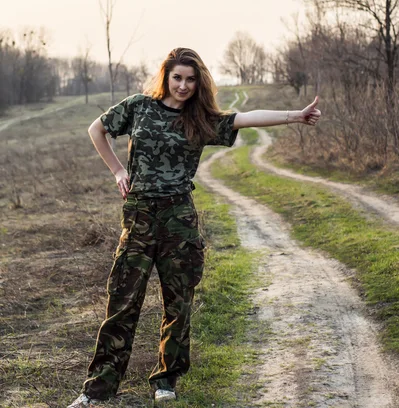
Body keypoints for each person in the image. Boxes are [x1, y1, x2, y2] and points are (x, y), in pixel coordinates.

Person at [67, 47, 321, 407]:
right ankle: (96, 391)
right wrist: (118, 171)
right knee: (122, 304)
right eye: (177, 77)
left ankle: (166, 381)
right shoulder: (139, 106)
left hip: (179, 221)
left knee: (178, 305)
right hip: (138, 219)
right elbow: (97, 129)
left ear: (197, 82)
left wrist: (296, 115)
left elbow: (247, 118)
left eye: (190, 79)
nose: (183, 85)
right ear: (166, 77)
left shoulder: (201, 119)